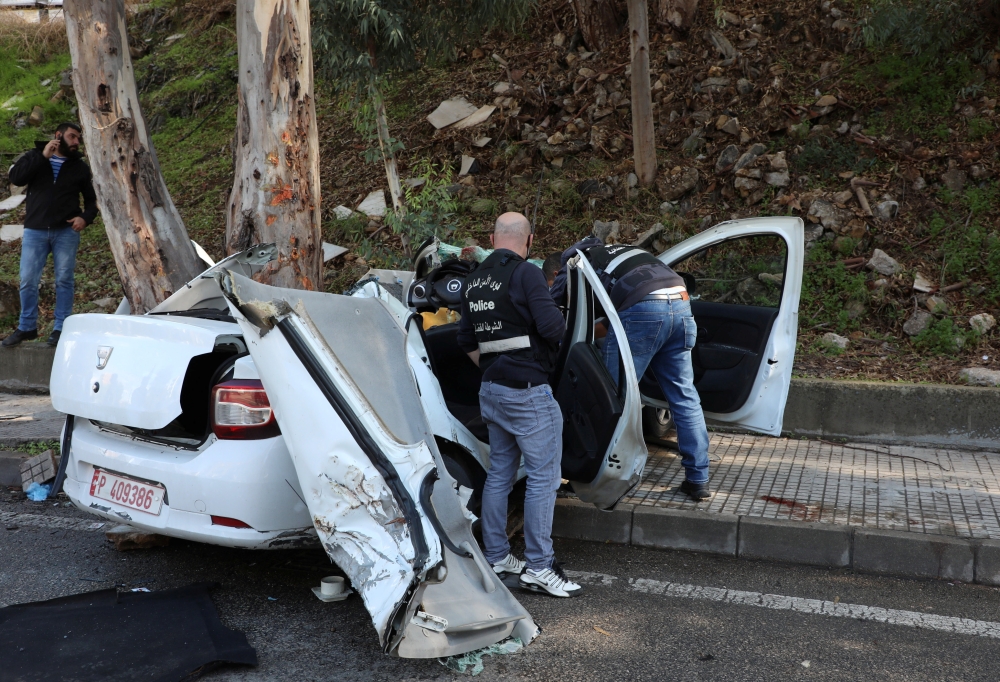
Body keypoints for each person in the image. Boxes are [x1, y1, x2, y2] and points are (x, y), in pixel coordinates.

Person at [457, 212, 582, 598]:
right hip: (528, 391)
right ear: (528, 241)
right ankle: (540, 567)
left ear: (493, 237)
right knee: (545, 477)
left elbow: (466, 339)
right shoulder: (526, 273)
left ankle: (496, 556)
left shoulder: (474, 279)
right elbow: (553, 329)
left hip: (491, 389)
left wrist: (496, 366)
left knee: (500, 473)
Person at [550, 236, 712, 501]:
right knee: (684, 396)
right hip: (681, 302)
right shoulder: (623, 253)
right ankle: (698, 480)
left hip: (643, 308)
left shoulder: (578, 260)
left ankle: (601, 480)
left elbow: (556, 310)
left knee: (611, 399)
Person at [2, 122, 97, 348]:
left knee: (64, 280)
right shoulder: (35, 156)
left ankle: (61, 327)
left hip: (65, 232)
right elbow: (16, 178)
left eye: (78, 139)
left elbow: (93, 201)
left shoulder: (80, 167)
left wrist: (85, 217)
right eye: (72, 137)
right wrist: (42, 156)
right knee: (27, 280)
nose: (76, 142)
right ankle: (27, 327)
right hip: (35, 230)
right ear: (58, 136)